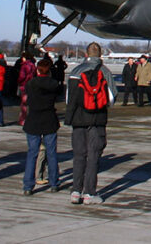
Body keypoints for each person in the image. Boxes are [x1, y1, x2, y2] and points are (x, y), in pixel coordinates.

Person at [65, 42, 115, 205]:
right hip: (97, 120)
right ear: (100, 55)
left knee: (79, 155)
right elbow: (112, 98)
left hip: (78, 120)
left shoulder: (75, 71)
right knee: (93, 156)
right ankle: (89, 193)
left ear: (86, 55)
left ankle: (75, 191)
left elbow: (68, 99)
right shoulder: (105, 71)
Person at [23, 58, 62, 195]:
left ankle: (28, 185)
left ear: (37, 70)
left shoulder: (31, 84)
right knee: (51, 153)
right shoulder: (54, 84)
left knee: (32, 154)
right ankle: (54, 183)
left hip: (33, 120)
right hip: (49, 120)